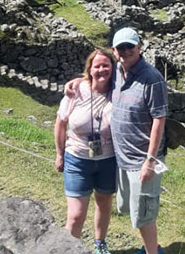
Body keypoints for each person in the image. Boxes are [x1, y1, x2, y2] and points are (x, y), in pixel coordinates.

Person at [67, 28, 168, 254]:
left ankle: (153, 252)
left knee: (143, 213)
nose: (125, 51)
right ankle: (151, 247)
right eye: (120, 48)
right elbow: (96, 74)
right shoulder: (119, 72)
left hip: (142, 158)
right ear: (114, 51)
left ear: (139, 47)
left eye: (129, 46)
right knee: (133, 209)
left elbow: (159, 120)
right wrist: (76, 81)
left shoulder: (152, 78)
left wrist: (150, 161)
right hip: (122, 158)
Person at [55, 48, 118, 254]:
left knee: (104, 202)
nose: (101, 69)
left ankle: (100, 244)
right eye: (97, 66)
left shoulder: (118, 89)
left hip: (108, 159)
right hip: (77, 158)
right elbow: (61, 122)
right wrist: (59, 153)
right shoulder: (77, 90)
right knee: (75, 215)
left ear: (113, 68)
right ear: (89, 69)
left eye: (106, 65)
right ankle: (68, 250)